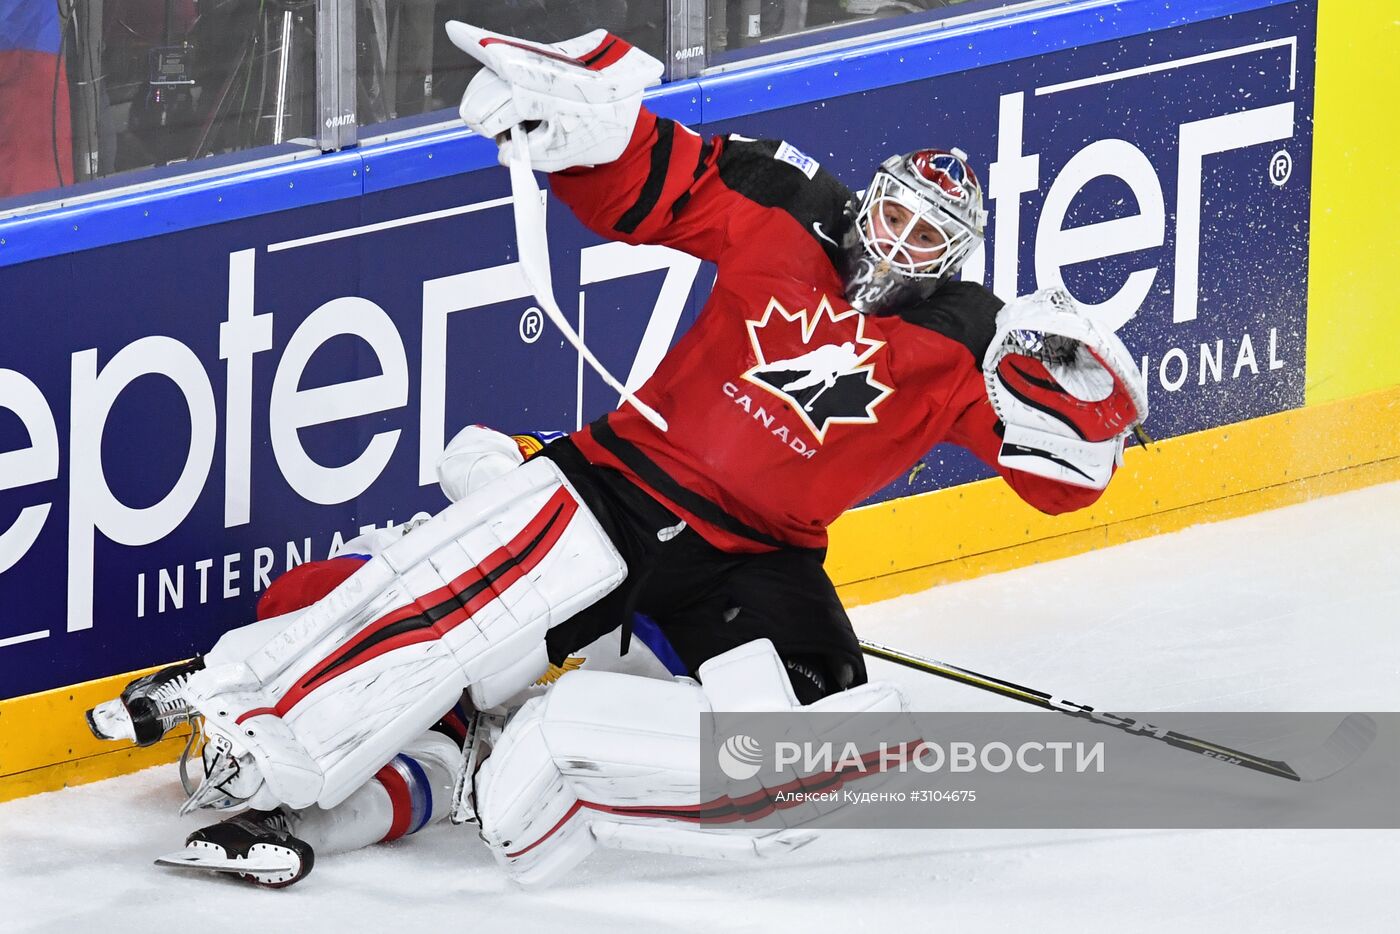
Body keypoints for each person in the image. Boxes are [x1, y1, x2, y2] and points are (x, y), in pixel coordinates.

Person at [87, 22, 1147, 888]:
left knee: (816, 749)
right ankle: (254, 717)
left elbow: (1046, 478)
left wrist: (1087, 406)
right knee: (442, 610)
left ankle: (560, 757)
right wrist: (584, 134)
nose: (894, 243)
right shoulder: (789, 204)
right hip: (619, 485)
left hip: (757, 559)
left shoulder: (968, 337)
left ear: (952, 257)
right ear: (867, 197)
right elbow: (646, 185)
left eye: (926, 237)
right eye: (891, 215)